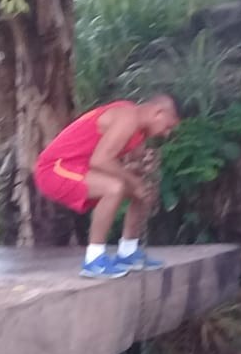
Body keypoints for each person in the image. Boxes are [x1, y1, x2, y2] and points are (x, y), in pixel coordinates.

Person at [34, 96, 180, 279]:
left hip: (83, 169)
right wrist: (133, 181)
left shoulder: (139, 131)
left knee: (144, 190)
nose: (166, 134)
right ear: (158, 113)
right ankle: (94, 260)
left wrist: (143, 168)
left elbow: (124, 167)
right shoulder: (127, 117)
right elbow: (100, 160)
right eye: (168, 127)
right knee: (114, 187)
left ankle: (128, 252)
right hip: (54, 169)